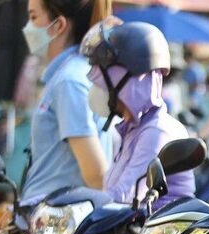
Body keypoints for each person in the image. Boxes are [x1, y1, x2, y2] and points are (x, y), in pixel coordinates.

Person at [83, 20, 194, 206]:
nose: (96, 90)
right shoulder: (134, 128)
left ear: (131, 84)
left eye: (102, 83)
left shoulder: (157, 131)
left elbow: (125, 197)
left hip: (162, 233)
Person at [19, 0, 112, 205]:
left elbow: (97, 174)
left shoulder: (69, 81)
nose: (28, 27)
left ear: (58, 26)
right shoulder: (70, 75)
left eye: (34, 17)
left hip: (55, 221)